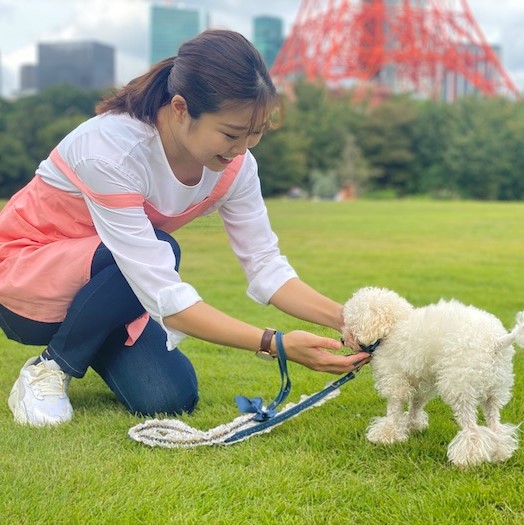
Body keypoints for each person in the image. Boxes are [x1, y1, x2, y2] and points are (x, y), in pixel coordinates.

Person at [0, 29, 370, 427]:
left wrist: (347, 319)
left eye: (256, 133)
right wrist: (275, 344)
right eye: (231, 133)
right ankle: (50, 368)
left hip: (109, 288)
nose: (242, 149)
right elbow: (163, 293)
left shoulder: (237, 166)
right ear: (180, 108)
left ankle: (87, 339)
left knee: (169, 397)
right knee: (163, 249)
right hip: (24, 279)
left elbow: (266, 266)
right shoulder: (112, 150)